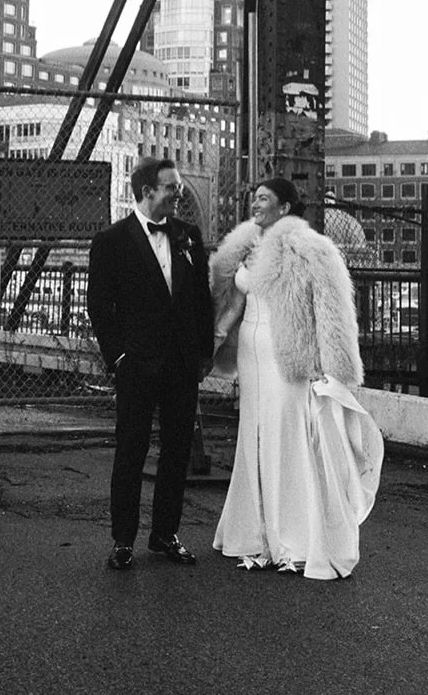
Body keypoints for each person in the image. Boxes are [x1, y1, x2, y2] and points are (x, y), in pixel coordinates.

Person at [210, 177, 384, 580]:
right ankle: (258, 538)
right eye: (253, 197)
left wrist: (333, 365)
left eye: (265, 199)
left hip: (285, 356)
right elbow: (232, 302)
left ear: (285, 207)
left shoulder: (310, 249)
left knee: (288, 442)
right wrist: (214, 343)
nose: (255, 204)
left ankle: (295, 541)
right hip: (252, 359)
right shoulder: (245, 248)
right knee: (254, 439)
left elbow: (331, 307)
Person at [87, 156, 214, 570]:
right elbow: (99, 307)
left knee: (176, 452)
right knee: (131, 451)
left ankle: (165, 534)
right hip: (137, 364)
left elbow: (201, 300)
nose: (178, 194)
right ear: (147, 192)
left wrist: (203, 354)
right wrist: (118, 357)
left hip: (181, 365)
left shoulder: (188, 236)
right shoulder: (112, 241)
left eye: (177, 187)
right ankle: (123, 539)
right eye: (171, 187)